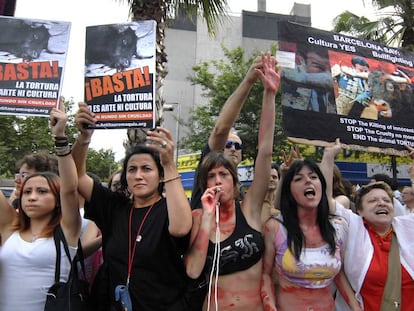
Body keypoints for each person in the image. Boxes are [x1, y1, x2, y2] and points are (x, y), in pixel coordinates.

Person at [72, 103, 193, 311]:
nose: (138, 175)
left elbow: (181, 229)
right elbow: (76, 175)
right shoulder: (114, 207)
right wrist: (83, 138)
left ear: (160, 175)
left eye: (146, 169)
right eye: (132, 169)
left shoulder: (170, 208)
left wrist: (169, 164)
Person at [185, 52, 280, 311]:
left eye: (223, 175)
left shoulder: (248, 210)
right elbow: (193, 270)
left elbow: (266, 151)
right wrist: (206, 217)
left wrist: (269, 94)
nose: (217, 181)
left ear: (235, 181)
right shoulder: (196, 217)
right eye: (211, 176)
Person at [0, 101, 81, 310]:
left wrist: (60, 137)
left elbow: (70, 189)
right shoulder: (10, 228)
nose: (32, 197)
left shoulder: (67, 231)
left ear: (57, 199)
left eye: (42, 191)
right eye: (27, 192)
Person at [260, 154, 360, 311]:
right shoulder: (275, 228)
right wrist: (270, 306)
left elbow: (339, 274)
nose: (308, 181)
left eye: (313, 177)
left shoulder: (338, 227)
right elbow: (265, 275)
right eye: (298, 179)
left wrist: (356, 306)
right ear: (289, 191)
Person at [324, 142, 414, 310]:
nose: (381, 203)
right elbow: (326, 202)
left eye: (387, 200)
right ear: (360, 211)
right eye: (373, 200)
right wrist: (328, 157)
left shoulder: (407, 227)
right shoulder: (353, 227)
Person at [190, 54, 267, 210]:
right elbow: (221, 130)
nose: (233, 148)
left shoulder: (242, 194)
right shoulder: (205, 174)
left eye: (238, 146)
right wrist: (249, 80)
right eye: (229, 144)